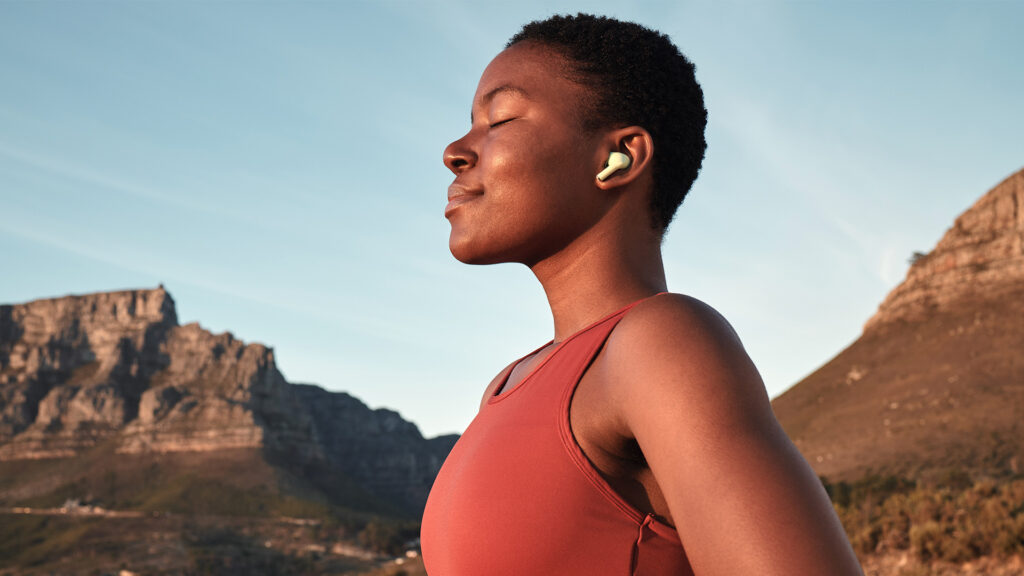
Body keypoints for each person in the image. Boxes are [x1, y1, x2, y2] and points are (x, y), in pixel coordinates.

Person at [421, 13, 863, 576]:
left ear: (620, 157)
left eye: (500, 119)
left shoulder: (659, 344)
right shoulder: (505, 387)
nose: (455, 151)